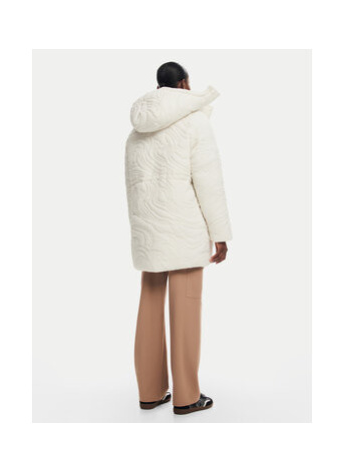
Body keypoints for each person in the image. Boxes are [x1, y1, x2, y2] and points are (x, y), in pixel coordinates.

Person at [124, 61, 233, 415]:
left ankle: (150, 392)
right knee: (185, 310)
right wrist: (220, 234)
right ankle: (187, 396)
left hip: (149, 234)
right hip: (184, 232)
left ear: (159, 87)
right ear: (184, 84)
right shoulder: (194, 122)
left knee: (149, 307)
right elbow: (209, 183)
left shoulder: (137, 130)